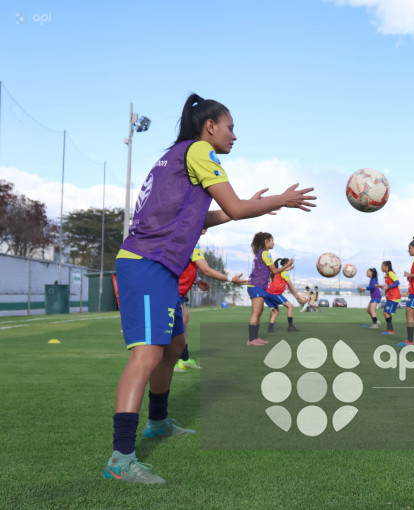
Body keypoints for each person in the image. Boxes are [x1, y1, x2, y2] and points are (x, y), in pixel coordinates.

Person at [105, 93, 315, 484]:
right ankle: (120, 459)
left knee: (174, 347)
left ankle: (158, 422)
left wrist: (248, 205)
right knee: (146, 357)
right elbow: (235, 209)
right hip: (146, 263)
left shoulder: (178, 154)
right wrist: (281, 200)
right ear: (210, 126)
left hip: (160, 266)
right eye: (230, 127)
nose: (234, 135)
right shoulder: (200, 150)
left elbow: (201, 217)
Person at [175, 235, 248, 371]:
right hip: (171, 290)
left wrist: (197, 280)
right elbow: (206, 270)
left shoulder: (189, 240)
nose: (205, 228)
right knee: (174, 325)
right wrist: (231, 279)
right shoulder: (189, 240)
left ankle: (184, 359)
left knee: (184, 320)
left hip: (179, 292)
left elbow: (185, 265)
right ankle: (169, 360)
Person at [247, 232, 294, 345]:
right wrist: (287, 265)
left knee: (259, 312)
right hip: (256, 286)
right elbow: (275, 271)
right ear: (266, 241)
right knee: (256, 312)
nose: (274, 243)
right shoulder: (265, 253)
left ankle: (255, 337)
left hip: (259, 286)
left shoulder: (261, 253)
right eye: (272, 240)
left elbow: (272, 271)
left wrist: (286, 268)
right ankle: (251, 339)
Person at [265, 258, 305, 332]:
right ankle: (290, 326)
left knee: (276, 311)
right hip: (274, 294)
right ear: (285, 264)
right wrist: (298, 297)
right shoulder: (285, 273)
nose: (291, 265)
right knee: (290, 306)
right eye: (290, 264)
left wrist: (297, 297)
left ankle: (270, 328)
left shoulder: (278, 271)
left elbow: (290, 288)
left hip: (267, 294)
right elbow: (291, 286)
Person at [378, 261, 401, 335]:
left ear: (387, 267)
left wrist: (388, 287)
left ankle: (391, 330)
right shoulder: (387, 275)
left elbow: (397, 282)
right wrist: (380, 286)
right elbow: (387, 286)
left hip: (394, 297)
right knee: (387, 313)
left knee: (385, 312)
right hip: (390, 297)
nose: (381, 268)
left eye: (382, 266)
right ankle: (389, 329)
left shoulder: (391, 273)